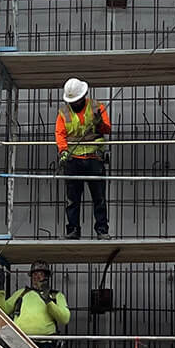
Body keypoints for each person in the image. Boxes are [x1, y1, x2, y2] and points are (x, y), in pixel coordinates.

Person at [55, 77, 110, 240]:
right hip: (73, 159)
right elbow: (60, 134)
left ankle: (102, 230)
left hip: (94, 157)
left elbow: (107, 129)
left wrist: (99, 123)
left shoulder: (97, 108)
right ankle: (73, 230)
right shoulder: (64, 113)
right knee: (72, 199)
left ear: (84, 96)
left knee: (99, 198)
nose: (74, 103)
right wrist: (63, 151)